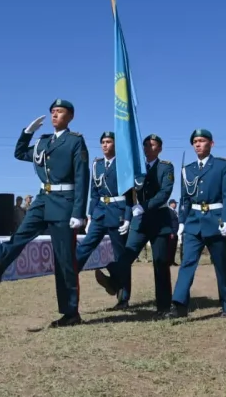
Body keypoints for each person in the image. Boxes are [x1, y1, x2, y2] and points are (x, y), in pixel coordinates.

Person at [0, 99, 90, 327]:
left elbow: (82, 177)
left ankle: (71, 313)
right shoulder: (43, 142)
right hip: (43, 199)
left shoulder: (75, 141)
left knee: (64, 260)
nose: (54, 115)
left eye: (60, 111)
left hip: (64, 203)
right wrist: (27, 132)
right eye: (52, 112)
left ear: (70, 116)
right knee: (21, 233)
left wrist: (79, 212)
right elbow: (19, 153)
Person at [95, 134, 175, 316]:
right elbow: (128, 191)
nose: (148, 148)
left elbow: (165, 193)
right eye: (145, 145)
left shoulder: (166, 167)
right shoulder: (137, 168)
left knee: (160, 263)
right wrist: (128, 215)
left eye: (152, 145)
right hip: (140, 220)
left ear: (160, 148)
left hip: (158, 218)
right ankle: (114, 282)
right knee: (127, 254)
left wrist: (144, 206)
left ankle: (163, 306)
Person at [166, 129, 226, 319]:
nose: (198, 144)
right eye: (195, 141)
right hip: (193, 223)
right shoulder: (187, 169)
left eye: (202, 140)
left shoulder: (222, 165)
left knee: (222, 264)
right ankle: (179, 305)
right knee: (187, 263)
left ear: (211, 144)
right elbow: (185, 199)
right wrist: (182, 221)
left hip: (215, 221)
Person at [74, 131, 131, 310]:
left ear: (115, 144)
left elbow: (130, 195)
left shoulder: (123, 164)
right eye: (103, 142)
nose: (105, 145)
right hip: (99, 213)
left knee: (120, 256)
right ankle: (71, 273)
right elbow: (94, 192)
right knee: (85, 246)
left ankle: (123, 298)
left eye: (109, 142)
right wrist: (90, 215)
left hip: (117, 213)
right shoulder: (96, 165)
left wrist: (127, 217)